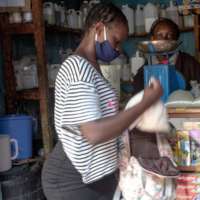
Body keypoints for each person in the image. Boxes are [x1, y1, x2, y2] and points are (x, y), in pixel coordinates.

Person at [41, 3, 162, 200]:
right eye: (116, 42)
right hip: (71, 179)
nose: (118, 49)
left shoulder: (91, 67)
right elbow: (94, 132)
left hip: (94, 177)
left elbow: (101, 115)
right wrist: (143, 104)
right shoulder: (78, 69)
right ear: (98, 29)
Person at [133, 18, 200, 93]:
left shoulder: (191, 64)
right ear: (152, 39)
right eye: (160, 35)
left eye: (169, 35)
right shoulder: (144, 71)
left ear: (176, 40)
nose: (164, 39)